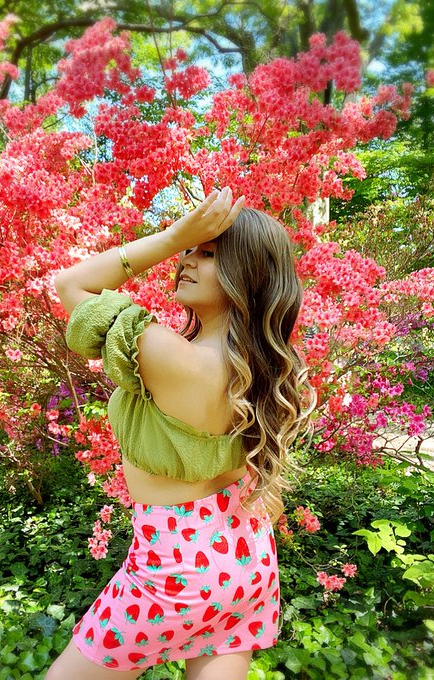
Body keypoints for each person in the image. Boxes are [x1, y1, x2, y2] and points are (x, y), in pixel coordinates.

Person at [47, 186, 313, 680]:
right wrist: (188, 241)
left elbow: (70, 284)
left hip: (174, 571)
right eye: (189, 249)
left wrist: (172, 236)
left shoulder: (175, 358)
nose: (186, 260)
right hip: (246, 556)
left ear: (247, 275)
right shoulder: (259, 369)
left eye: (207, 253)